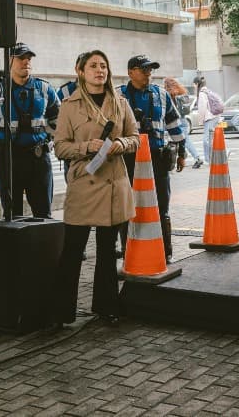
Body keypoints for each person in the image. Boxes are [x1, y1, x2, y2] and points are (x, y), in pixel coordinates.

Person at [52, 50, 139, 326]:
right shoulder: (69, 105)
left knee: (106, 249)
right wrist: (85, 147)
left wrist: (121, 145)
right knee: (72, 250)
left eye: (103, 65)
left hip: (113, 184)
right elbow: (60, 147)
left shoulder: (120, 102)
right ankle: (60, 311)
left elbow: (135, 137)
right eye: (93, 66)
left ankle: (107, 306)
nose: (99, 70)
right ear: (81, 71)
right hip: (83, 184)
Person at [0, 42, 60, 219]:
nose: (26, 62)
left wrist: (49, 137)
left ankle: (41, 247)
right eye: (21, 58)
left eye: (29, 58)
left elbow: (59, 118)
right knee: (11, 216)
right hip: (7, 159)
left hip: (38, 159)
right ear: (9, 61)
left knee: (43, 215)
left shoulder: (45, 89)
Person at [121, 55, 186, 260]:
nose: (148, 74)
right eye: (143, 69)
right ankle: (129, 251)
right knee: (128, 207)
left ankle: (165, 252)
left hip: (157, 159)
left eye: (150, 70)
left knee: (161, 206)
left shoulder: (161, 94)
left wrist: (181, 152)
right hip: (128, 160)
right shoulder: (118, 95)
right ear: (131, 72)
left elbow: (174, 124)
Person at [164, 76, 203, 168]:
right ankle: (188, 158)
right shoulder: (181, 92)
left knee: (181, 141)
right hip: (184, 119)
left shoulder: (169, 94)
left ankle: (196, 158)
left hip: (175, 121)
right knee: (184, 141)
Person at [193, 75, 221, 163]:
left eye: (194, 84)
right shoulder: (208, 91)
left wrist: (201, 121)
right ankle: (214, 157)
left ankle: (208, 159)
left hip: (209, 118)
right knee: (212, 138)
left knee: (206, 140)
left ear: (197, 84)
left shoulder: (201, 93)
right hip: (215, 116)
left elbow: (202, 109)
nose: (193, 86)